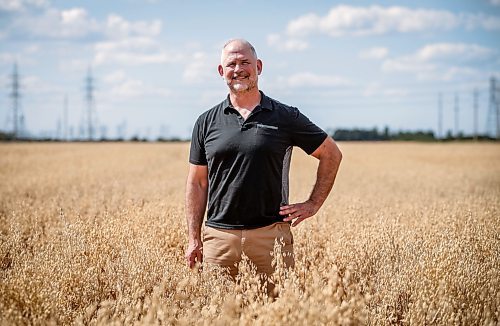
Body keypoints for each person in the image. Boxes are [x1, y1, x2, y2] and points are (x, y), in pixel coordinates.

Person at [185, 38, 342, 279]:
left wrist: (313, 204)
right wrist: (194, 238)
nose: (238, 69)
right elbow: (197, 182)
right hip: (219, 238)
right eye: (231, 64)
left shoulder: (285, 116)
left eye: (245, 62)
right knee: (219, 314)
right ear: (221, 71)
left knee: (276, 313)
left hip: (271, 236)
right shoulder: (206, 122)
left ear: (258, 66)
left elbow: (331, 154)